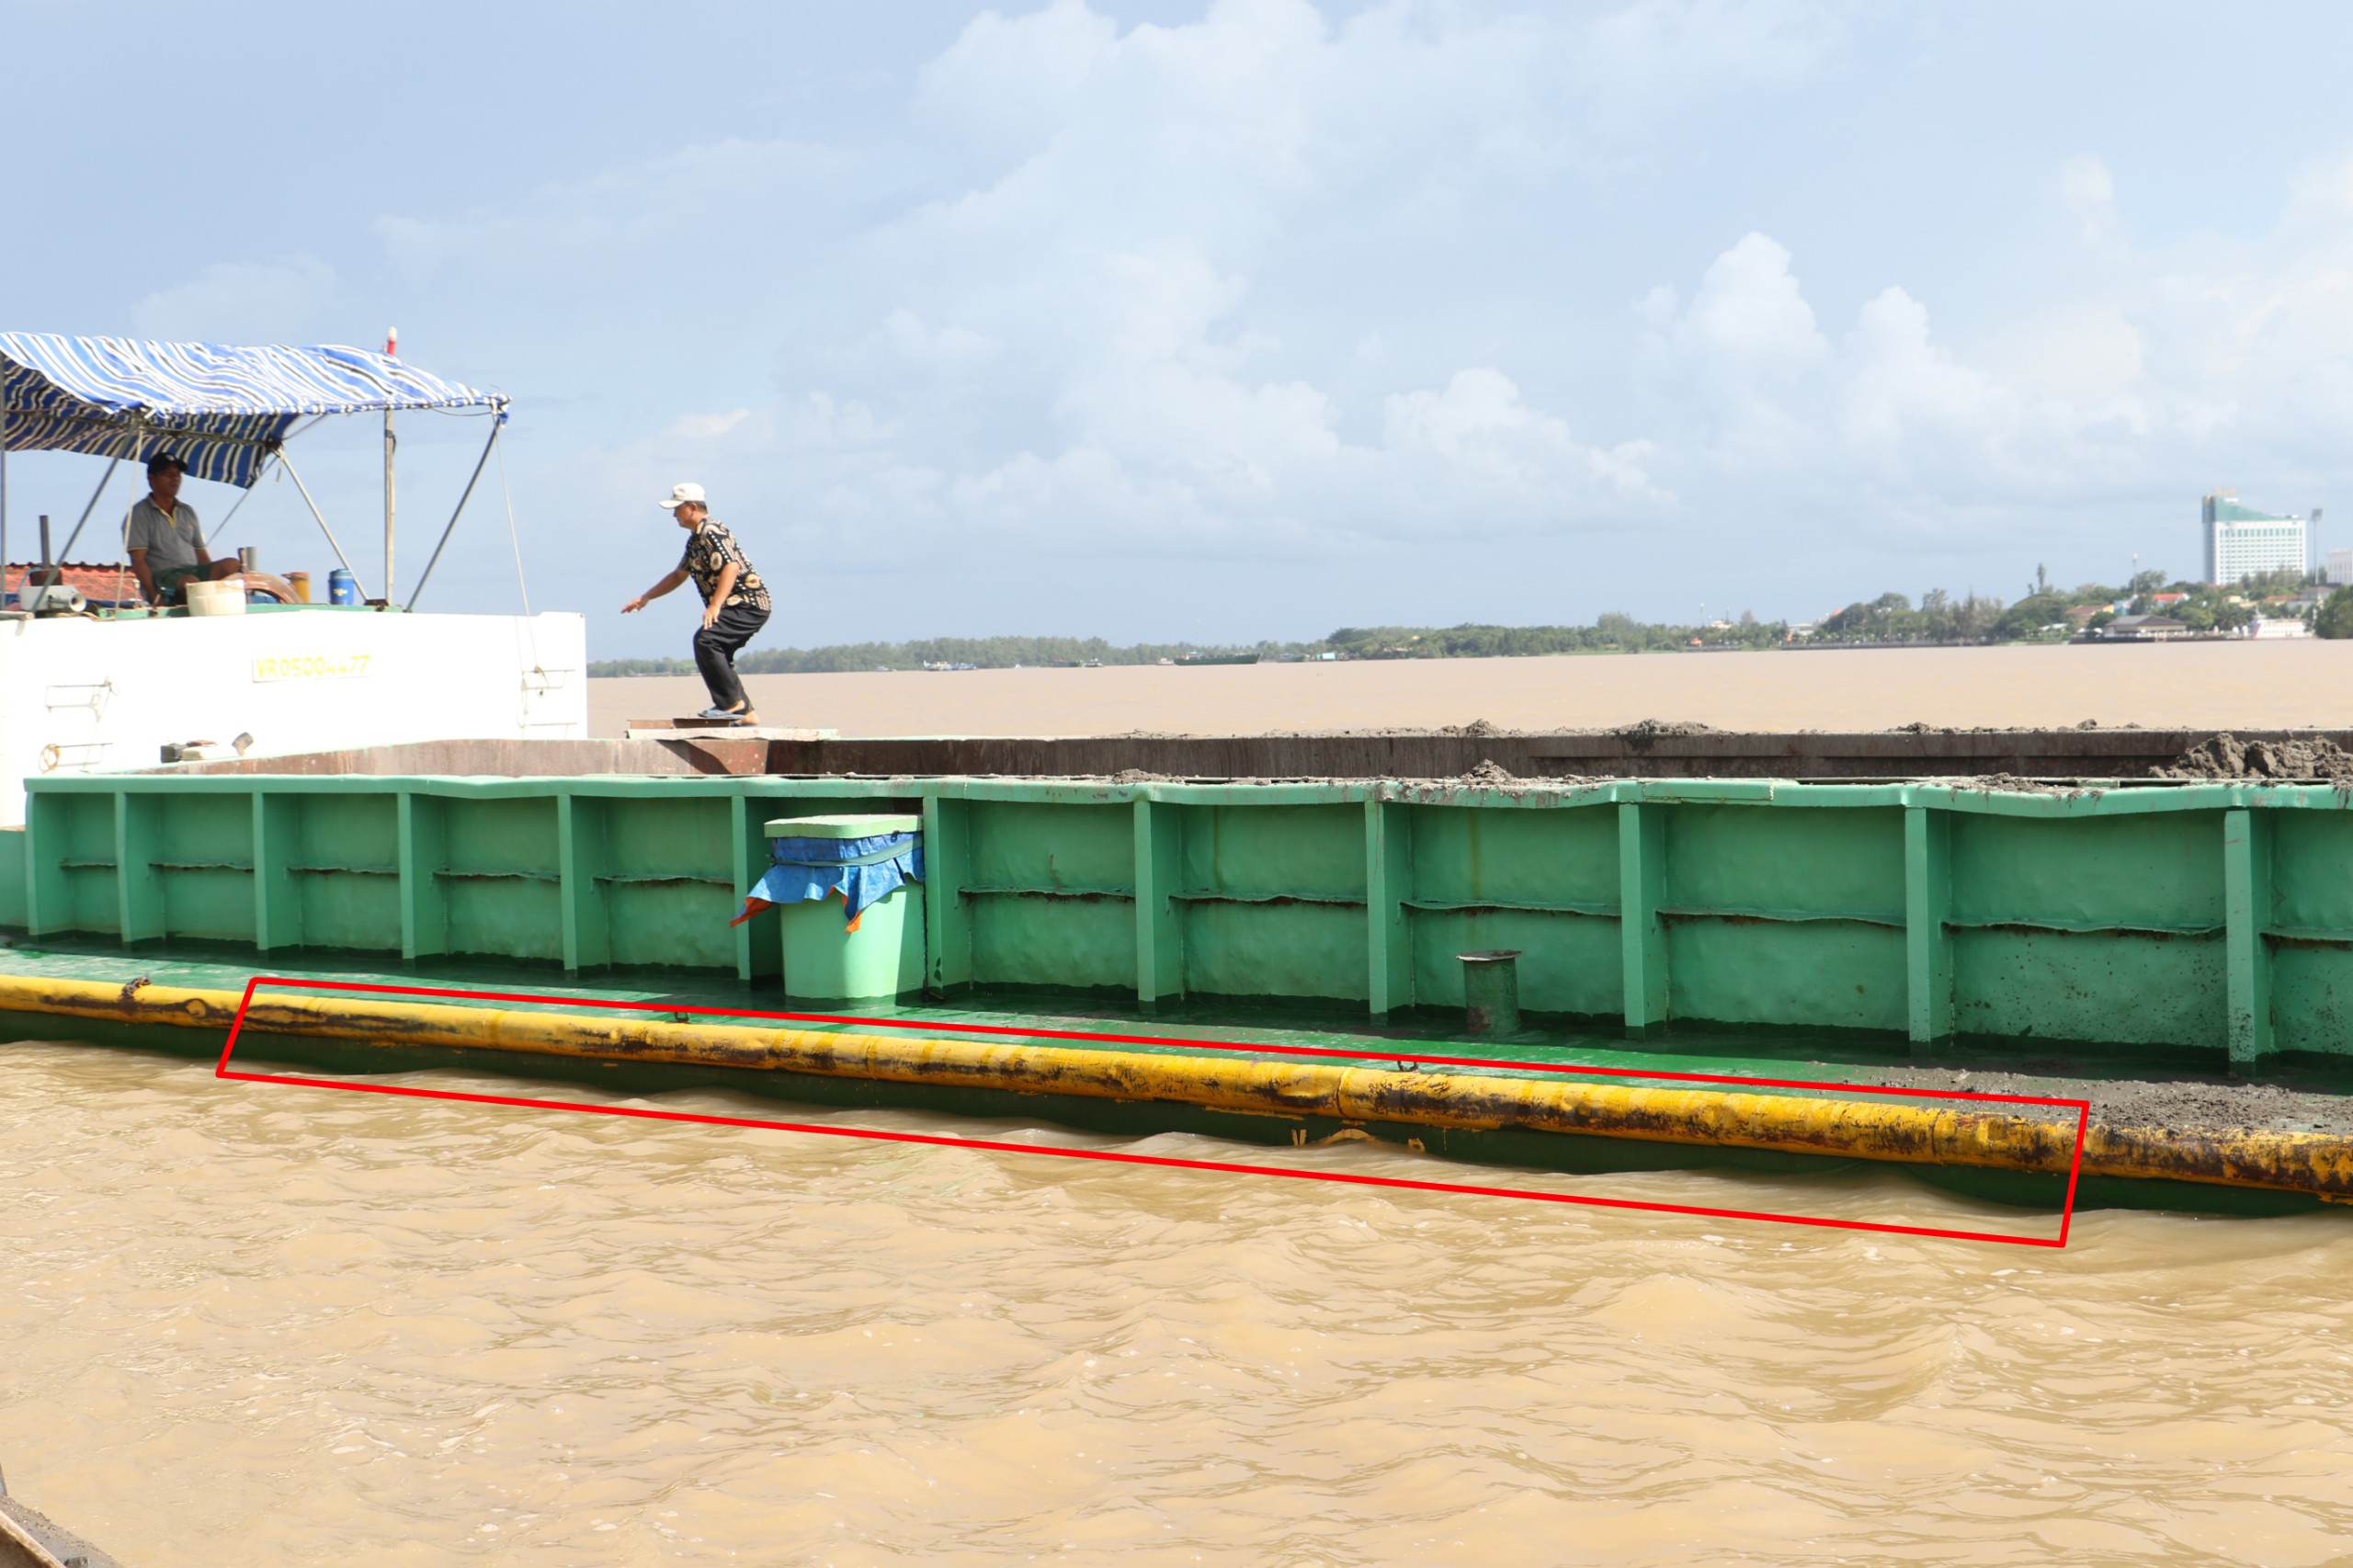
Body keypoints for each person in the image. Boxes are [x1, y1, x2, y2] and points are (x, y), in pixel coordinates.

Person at [621, 483, 772, 722]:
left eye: (677, 509)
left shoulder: (711, 530)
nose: (673, 515)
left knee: (707, 641)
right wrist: (646, 596)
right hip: (736, 605)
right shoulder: (695, 541)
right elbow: (679, 574)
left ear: (692, 507)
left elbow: (731, 567)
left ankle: (733, 704)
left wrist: (715, 606)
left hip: (748, 603)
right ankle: (746, 712)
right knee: (715, 650)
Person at [125, 453, 243, 606]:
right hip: (164, 578)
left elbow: (201, 555)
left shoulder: (187, 512)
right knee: (191, 582)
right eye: (168, 474)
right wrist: (155, 598)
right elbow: (138, 561)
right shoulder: (140, 514)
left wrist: (210, 576)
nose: (175, 478)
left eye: (178, 474)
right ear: (152, 479)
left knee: (232, 564)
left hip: (193, 572)